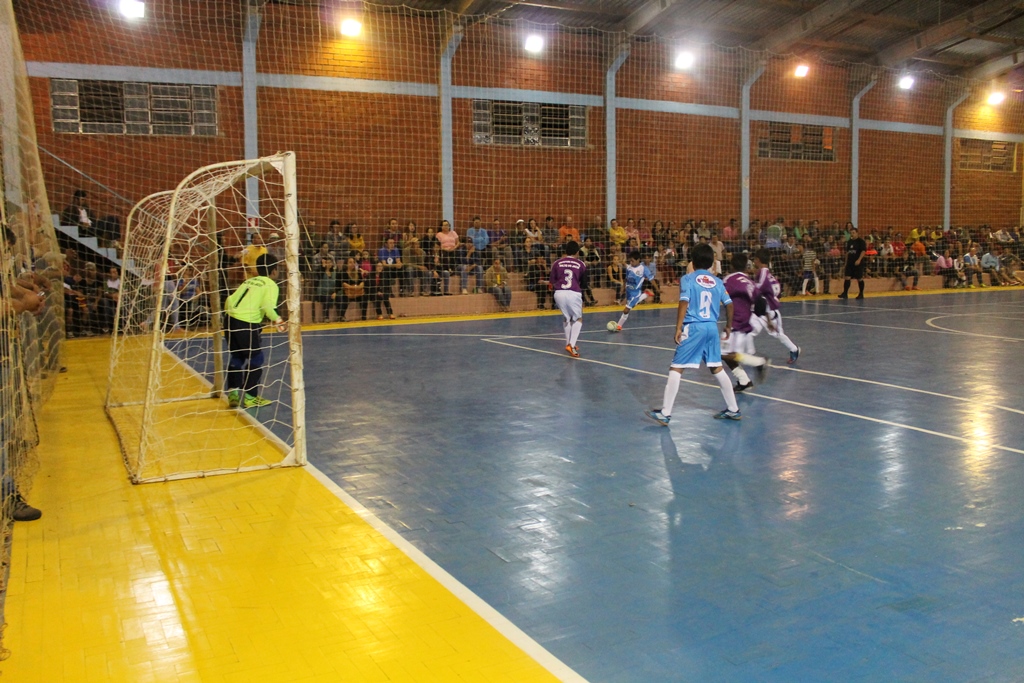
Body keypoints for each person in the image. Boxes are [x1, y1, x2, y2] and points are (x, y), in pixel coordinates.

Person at [645, 243, 741, 425]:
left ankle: (665, 413)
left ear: (692, 262)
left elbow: (684, 302)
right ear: (711, 263)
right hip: (711, 328)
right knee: (716, 367)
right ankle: (733, 409)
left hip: (694, 327)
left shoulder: (688, 279)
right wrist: (729, 326)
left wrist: (678, 327)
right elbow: (729, 304)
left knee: (676, 367)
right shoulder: (718, 282)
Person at [223, 253, 287, 409]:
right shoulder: (271, 285)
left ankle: (233, 393)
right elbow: (267, 306)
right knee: (256, 358)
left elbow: (229, 299)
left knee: (237, 356)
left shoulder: (249, 281)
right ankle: (250, 397)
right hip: (246, 322)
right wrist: (278, 321)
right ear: (274, 271)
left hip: (229, 319)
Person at [721, 253, 770, 393]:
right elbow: (761, 301)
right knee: (729, 354)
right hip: (745, 321)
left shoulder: (730, 279)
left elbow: (719, 295)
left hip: (734, 322)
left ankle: (759, 362)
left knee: (722, 354)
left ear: (732, 265)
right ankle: (744, 381)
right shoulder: (749, 281)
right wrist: (763, 318)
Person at [750, 249, 801, 364]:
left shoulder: (762, 273)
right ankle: (746, 353)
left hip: (769, 310)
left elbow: (757, 288)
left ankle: (794, 349)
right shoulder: (769, 274)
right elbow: (776, 292)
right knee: (748, 330)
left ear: (757, 260)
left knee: (778, 334)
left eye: (754, 260)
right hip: (761, 309)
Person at [549, 241, 587, 358]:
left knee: (567, 317)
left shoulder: (557, 263)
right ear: (577, 252)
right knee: (578, 319)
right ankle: (572, 345)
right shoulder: (581, 264)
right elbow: (584, 284)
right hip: (573, 293)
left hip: (559, 293)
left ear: (565, 251)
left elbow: (552, 282)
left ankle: (568, 343)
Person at [611, 250, 653, 332]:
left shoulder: (642, 269)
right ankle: (645, 294)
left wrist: (657, 290)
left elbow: (652, 279)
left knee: (626, 310)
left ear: (638, 260)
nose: (631, 262)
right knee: (630, 307)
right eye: (630, 261)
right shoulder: (629, 268)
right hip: (629, 291)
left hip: (636, 293)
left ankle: (618, 326)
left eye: (632, 261)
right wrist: (623, 288)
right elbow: (626, 278)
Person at [838, 226, 867, 300]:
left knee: (859, 278)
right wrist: (846, 262)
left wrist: (859, 260)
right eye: (851, 233)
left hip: (857, 263)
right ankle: (845, 293)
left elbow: (863, 251)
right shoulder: (849, 242)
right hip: (850, 263)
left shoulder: (861, 241)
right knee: (847, 277)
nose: (852, 234)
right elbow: (847, 253)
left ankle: (861, 293)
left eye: (853, 233)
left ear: (857, 233)